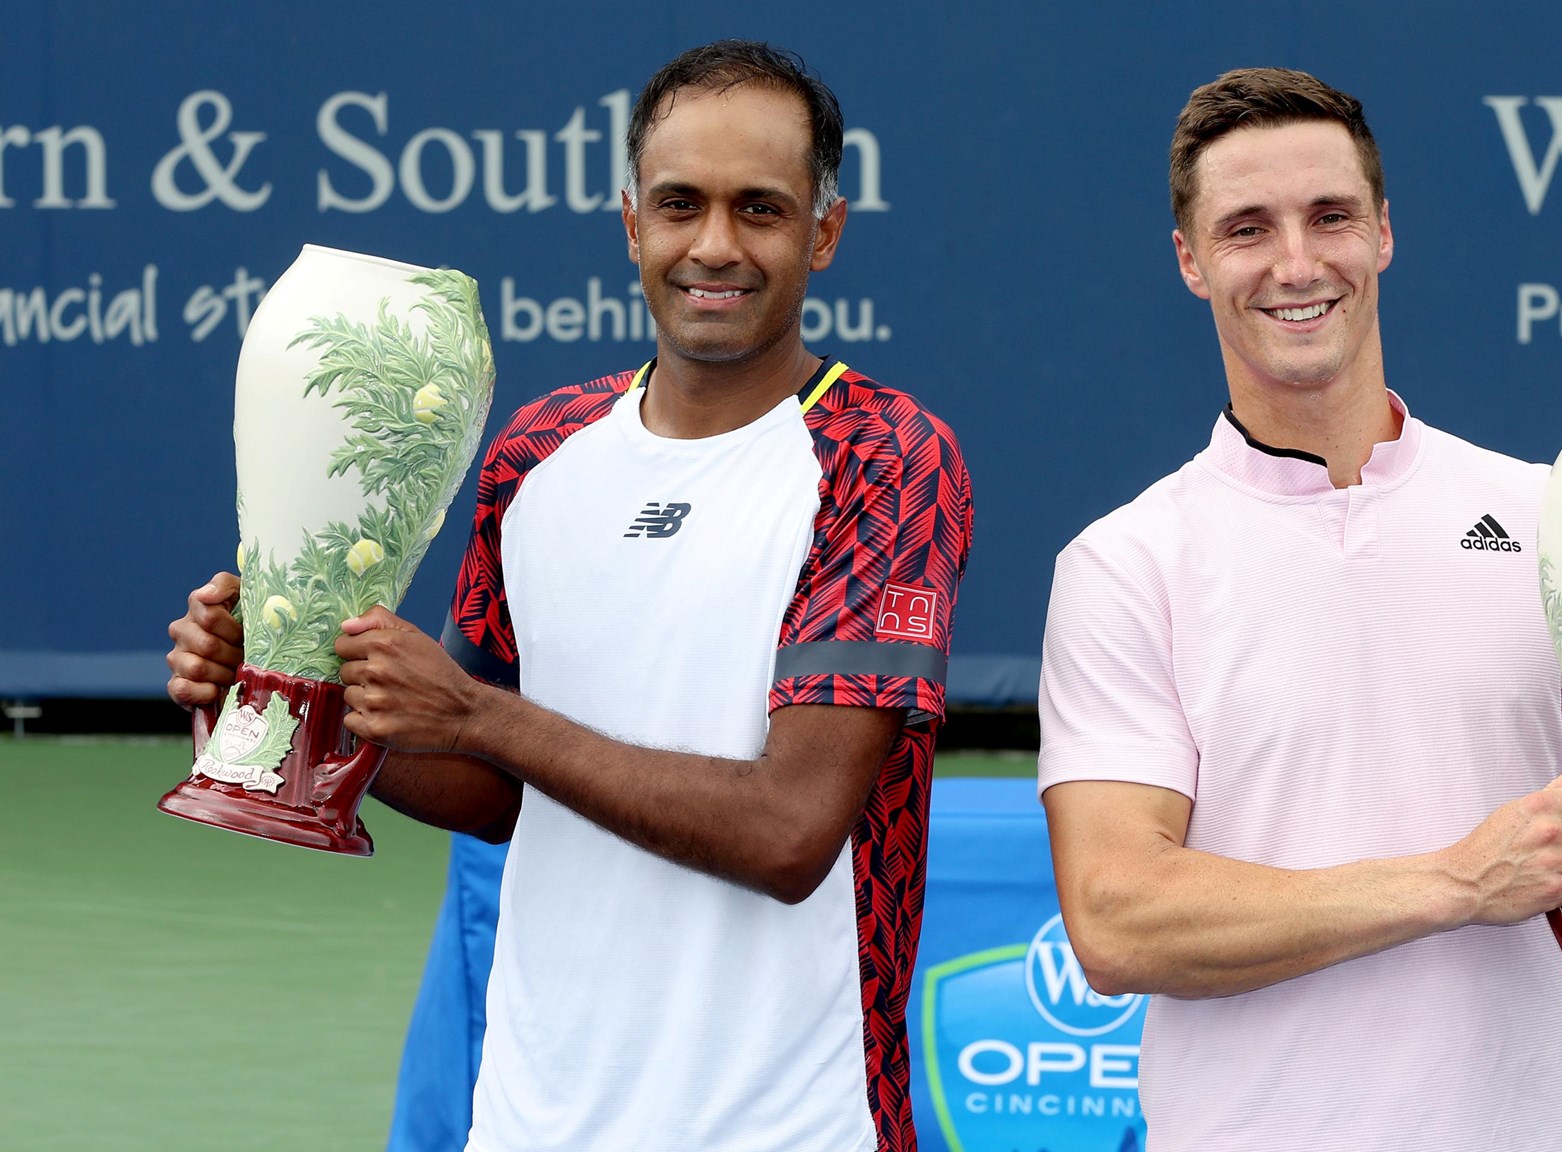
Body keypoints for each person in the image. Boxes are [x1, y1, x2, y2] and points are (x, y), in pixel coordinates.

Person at [166, 41, 971, 1152]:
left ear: (823, 234)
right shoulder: (540, 450)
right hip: (533, 1119)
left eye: (761, 209)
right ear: (630, 223)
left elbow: (792, 833)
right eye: (680, 205)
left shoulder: (887, 458)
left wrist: (480, 716)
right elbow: (491, 791)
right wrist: (297, 687)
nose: (714, 247)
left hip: (793, 1125)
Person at [1035, 68, 1562, 1151]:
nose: (1295, 263)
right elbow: (1117, 918)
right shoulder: (1125, 563)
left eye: (1329, 217)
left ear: (1382, 234)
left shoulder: (1552, 514)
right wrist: (1452, 882)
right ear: (1189, 260)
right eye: (1244, 228)